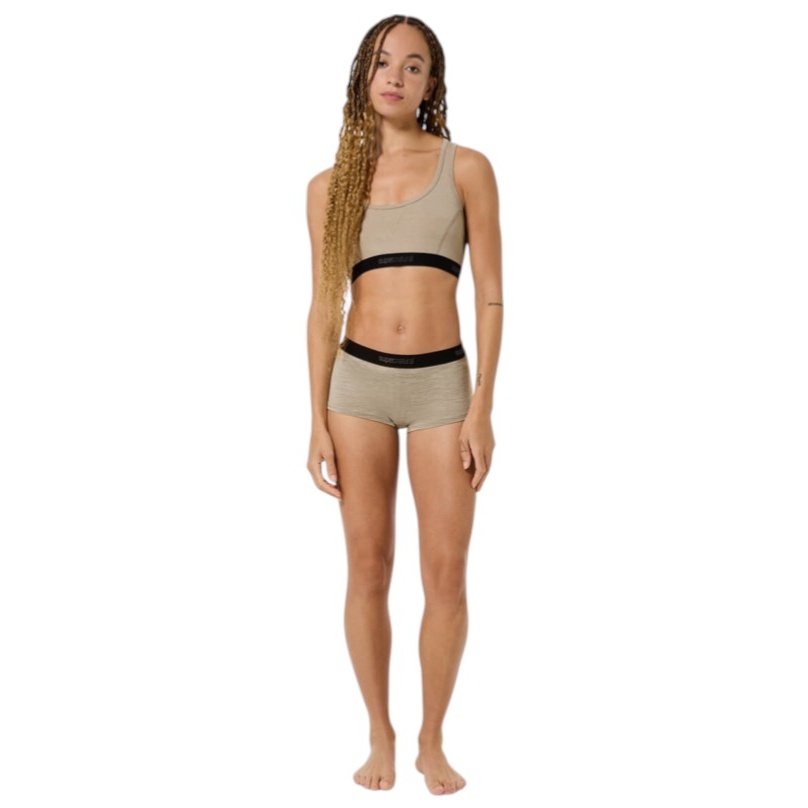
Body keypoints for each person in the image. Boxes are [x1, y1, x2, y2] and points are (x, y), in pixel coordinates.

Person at [306, 14, 503, 796]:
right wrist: (314, 419)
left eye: (413, 66)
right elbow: (323, 308)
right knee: (368, 567)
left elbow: (490, 295)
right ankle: (379, 732)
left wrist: (482, 406)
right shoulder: (328, 188)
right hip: (356, 388)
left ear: (431, 84)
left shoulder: (468, 169)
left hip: (441, 386)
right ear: (364, 73)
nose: (395, 75)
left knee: (446, 574)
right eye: (384, 62)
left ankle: (431, 739)